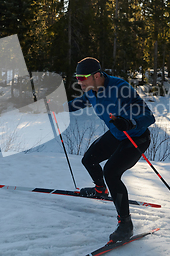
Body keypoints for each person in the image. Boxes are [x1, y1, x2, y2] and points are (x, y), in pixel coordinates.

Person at [67, 57, 155, 242]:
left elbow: (148, 116)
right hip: (117, 134)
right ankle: (100, 189)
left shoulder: (119, 88)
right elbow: (81, 102)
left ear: (96, 75)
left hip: (136, 137)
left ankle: (125, 224)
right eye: (77, 78)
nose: (79, 82)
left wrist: (130, 122)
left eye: (82, 78)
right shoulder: (91, 90)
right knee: (89, 159)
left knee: (111, 172)